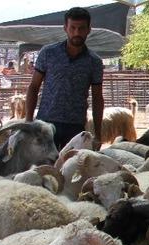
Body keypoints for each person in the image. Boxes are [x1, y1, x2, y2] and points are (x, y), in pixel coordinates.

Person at [25, 7, 103, 151]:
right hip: (46, 124)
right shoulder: (48, 53)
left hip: (75, 127)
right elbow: (34, 87)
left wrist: (98, 134)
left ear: (88, 29)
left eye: (81, 28)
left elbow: (97, 98)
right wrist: (29, 123)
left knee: (71, 169)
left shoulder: (94, 62)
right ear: (65, 28)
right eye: (72, 28)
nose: (77, 33)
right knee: (42, 168)